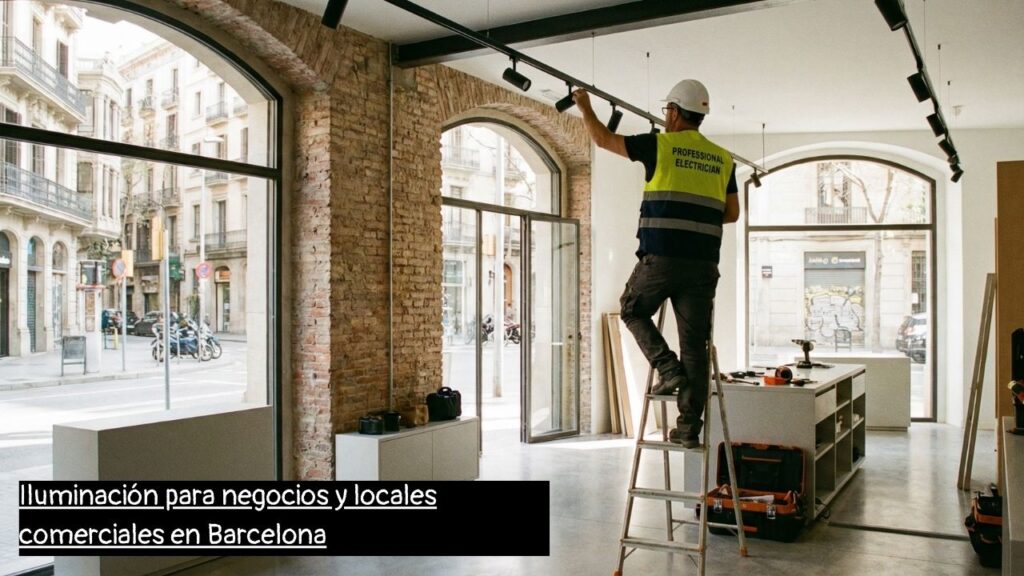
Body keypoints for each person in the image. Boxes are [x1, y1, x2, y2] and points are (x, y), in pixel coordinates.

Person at [573, 79, 740, 448]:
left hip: (662, 257)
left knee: (631, 310)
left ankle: (668, 369)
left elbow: (602, 139)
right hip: (703, 266)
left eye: (667, 110)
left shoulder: (660, 145)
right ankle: (687, 428)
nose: (666, 117)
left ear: (676, 112)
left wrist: (584, 105)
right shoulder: (723, 159)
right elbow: (731, 213)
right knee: (695, 346)